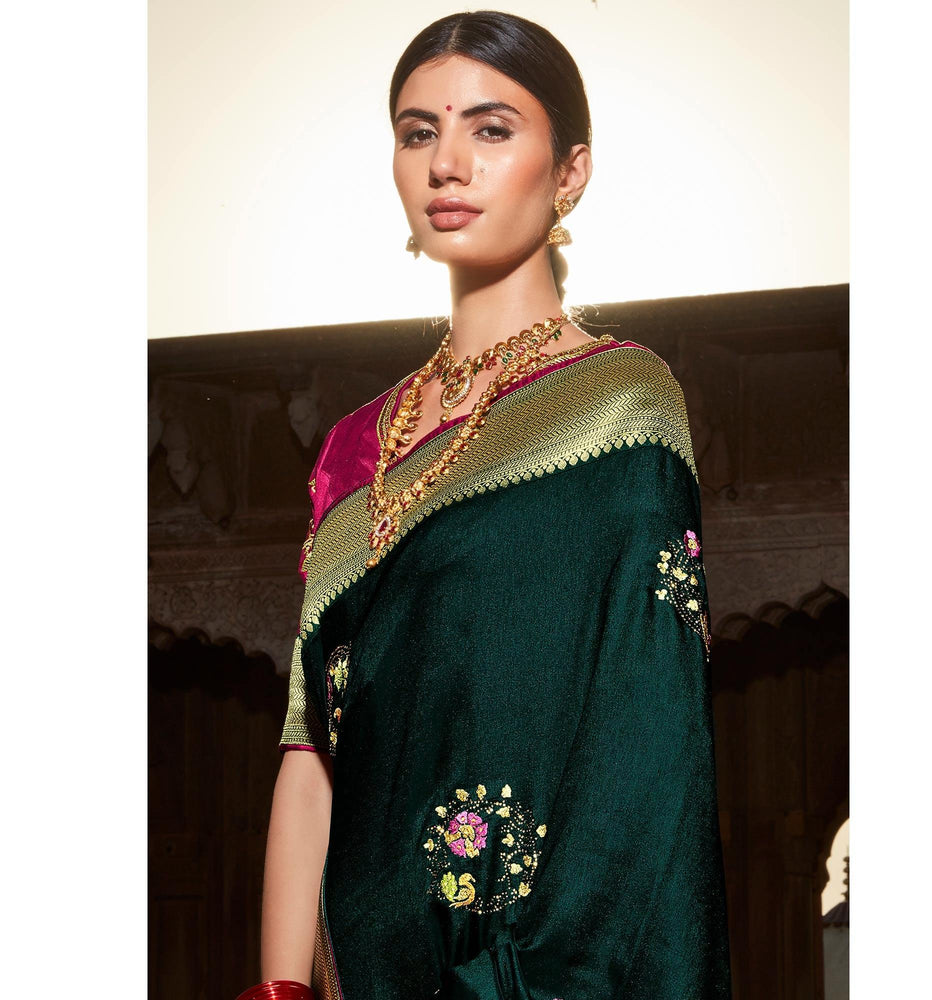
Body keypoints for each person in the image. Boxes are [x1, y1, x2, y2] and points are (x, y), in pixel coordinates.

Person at [239, 10, 732, 1000]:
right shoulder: (352, 448)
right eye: (418, 132)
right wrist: (281, 991)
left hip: (542, 972)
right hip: (361, 967)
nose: (447, 164)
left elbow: (647, 732)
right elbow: (312, 743)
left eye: (491, 129)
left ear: (571, 171)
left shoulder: (620, 403)